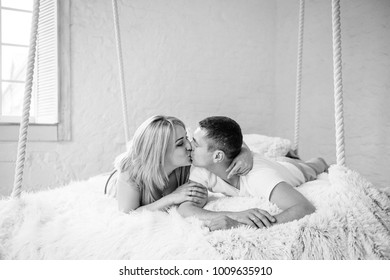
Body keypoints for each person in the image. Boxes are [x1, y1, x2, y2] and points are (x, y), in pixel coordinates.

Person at [177, 116, 328, 230]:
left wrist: (245, 225)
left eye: (195, 144)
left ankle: (317, 160)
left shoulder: (259, 177)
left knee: (313, 166)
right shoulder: (202, 169)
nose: (189, 146)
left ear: (217, 156)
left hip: (290, 169)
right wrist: (234, 216)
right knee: (277, 160)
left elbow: (304, 208)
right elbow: (185, 208)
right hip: (270, 163)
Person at [105, 115, 254, 213]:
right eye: (180, 143)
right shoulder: (130, 174)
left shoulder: (188, 162)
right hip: (117, 182)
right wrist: (172, 198)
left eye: (186, 138)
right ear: (160, 152)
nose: (189, 145)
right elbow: (128, 214)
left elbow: (222, 138)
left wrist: (245, 152)